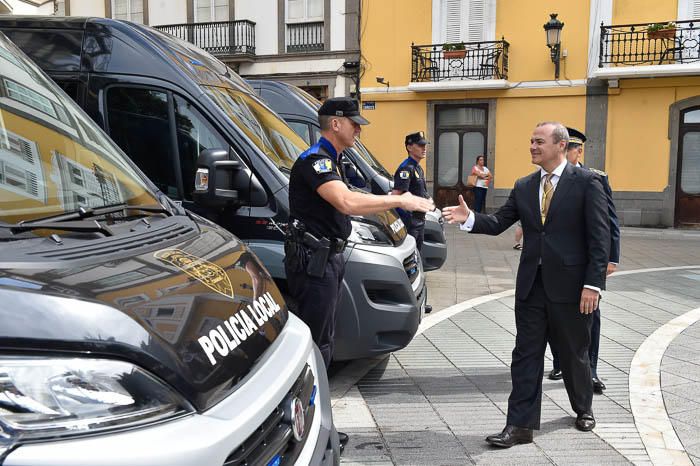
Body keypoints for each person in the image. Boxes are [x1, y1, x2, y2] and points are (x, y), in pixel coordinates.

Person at [442, 122, 610, 448]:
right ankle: (519, 425)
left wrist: (593, 284)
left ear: (561, 146)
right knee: (525, 356)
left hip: (573, 289)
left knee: (574, 353)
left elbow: (599, 238)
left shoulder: (587, 182)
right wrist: (471, 219)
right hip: (532, 287)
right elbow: (500, 223)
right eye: (531, 141)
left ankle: (582, 407)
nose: (532, 146)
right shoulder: (524, 185)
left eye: (539, 141)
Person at [284, 97, 434, 450]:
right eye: (354, 124)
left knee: (325, 344)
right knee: (316, 347)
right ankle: (311, 428)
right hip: (313, 262)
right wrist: (402, 200)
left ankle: (320, 423)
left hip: (327, 259)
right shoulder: (315, 161)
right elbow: (347, 202)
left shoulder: (334, 160)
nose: (358, 129)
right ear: (335, 124)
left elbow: (354, 196)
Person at [547, 127, 621, 395]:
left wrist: (612, 258)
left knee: (591, 315)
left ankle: (590, 369)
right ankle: (559, 363)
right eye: (564, 149)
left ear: (579, 150)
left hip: (588, 263)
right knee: (554, 315)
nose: (568, 154)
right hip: (557, 263)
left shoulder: (595, 179)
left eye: (572, 149)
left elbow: (610, 223)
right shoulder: (549, 180)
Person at [392, 131, 434, 313]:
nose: (424, 148)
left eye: (425, 145)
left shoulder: (417, 168)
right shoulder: (405, 169)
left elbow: (419, 193)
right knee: (411, 264)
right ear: (409, 147)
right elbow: (398, 198)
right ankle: (411, 301)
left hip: (419, 221)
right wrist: (408, 222)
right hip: (411, 224)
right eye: (420, 145)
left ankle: (419, 299)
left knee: (418, 261)